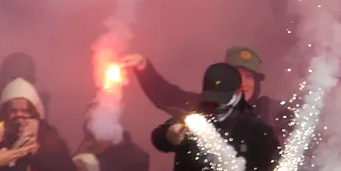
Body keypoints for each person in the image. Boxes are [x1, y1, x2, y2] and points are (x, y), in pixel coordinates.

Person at [152, 63, 281, 171]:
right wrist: (170, 134)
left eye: (223, 99)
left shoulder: (255, 126)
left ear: (238, 93)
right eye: (213, 98)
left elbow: (273, 159)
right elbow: (159, 137)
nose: (218, 104)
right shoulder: (193, 116)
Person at [122, 46, 285, 129]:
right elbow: (168, 96)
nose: (243, 83)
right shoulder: (206, 107)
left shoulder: (270, 111)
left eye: (249, 77)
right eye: (237, 75)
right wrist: (144, 68)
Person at [0, 78, 79, 171]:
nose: (19, 115)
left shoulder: (51, 140)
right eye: (13, 111)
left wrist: (37, 153)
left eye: (25, 111)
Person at [72, 104, 151, 171]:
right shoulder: (86, 149)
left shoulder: (135, 158)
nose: (87, 127)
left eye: (92, 122)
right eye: (87, 122)